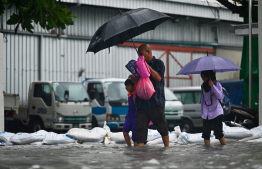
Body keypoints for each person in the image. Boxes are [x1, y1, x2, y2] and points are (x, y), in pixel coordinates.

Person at [129, 44, 169, 147]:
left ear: (148, 52)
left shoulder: (158, 63)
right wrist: (134, 79)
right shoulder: (139, 65)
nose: (140, 57)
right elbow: (140, 81)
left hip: (155, 102)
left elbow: (159, 78)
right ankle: (140, 158)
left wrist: (147, 67)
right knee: (140, 133)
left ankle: (167, 148)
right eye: (138, 55)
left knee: (163, 128)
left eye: (141, 54)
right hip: (141, 104)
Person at [200, 70, 226, 146]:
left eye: (204, 76)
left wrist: (213, 86)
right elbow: (202, 101)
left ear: (209, 77)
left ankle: (224, 148)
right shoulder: (203, 86)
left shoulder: (217, 84)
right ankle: (207, 152)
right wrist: (202, 115)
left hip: (216, 112)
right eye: (202, 77)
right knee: (205, 133)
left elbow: (220, 96)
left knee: (218, 133)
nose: (203, 78)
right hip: (206, 113)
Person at [123, 79, 138, 147]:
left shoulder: (136, 93)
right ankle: (129, 148)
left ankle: (135, 152)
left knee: (135, 137)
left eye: (128, 85)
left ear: (133, 86)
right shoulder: (129, 94)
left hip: (136, 116)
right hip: (130, 116)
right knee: (125, 131)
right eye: (126, 86)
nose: (127, 87)